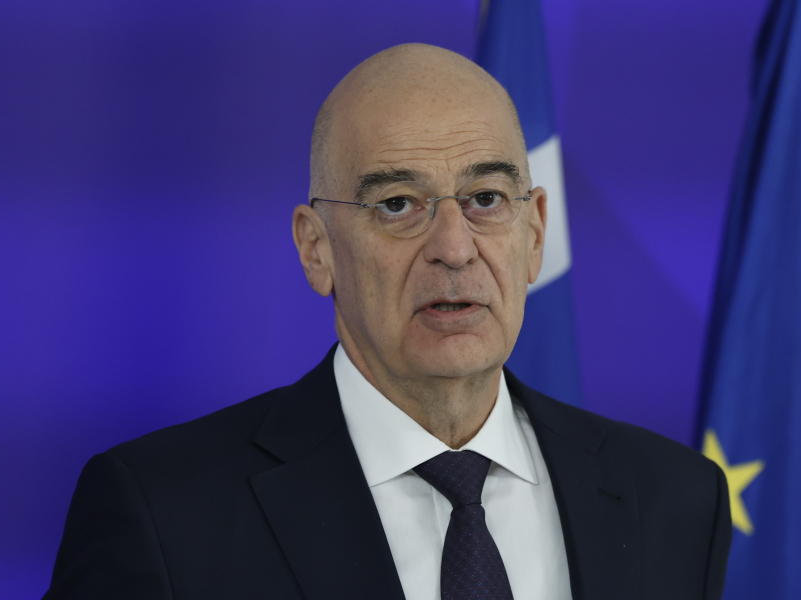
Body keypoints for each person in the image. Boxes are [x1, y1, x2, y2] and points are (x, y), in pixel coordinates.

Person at [45, 44, 731, 600]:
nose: (454, 248)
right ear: (316, 249)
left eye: (486, 198)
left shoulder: (673, 500)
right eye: (398, 204)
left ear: (535, 234)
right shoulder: (164, 514)